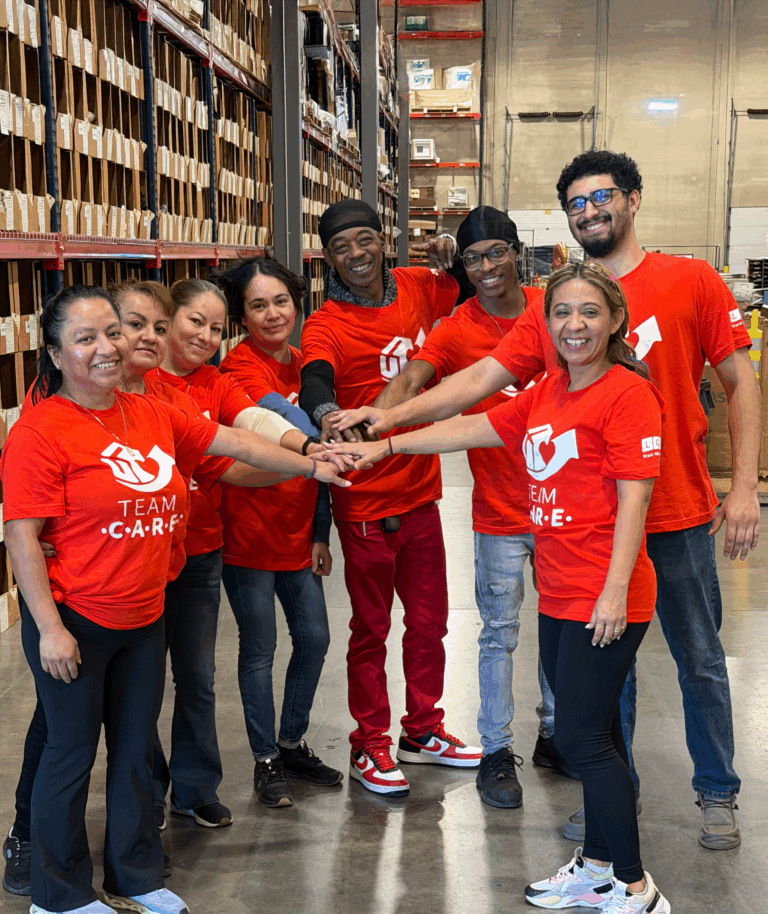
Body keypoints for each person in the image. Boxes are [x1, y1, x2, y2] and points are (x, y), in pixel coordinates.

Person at [328, 150, 761, 849]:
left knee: (702, 659)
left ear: (634, 198)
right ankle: (613, 800)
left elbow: (741, 381)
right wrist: (388, 420)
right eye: (577, 204)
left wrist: (742, 488)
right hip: (592, 526)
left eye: (603, 197)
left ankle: (717, 792)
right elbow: (478, 389)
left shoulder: (692, 281)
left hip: (675, 512)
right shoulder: (558, 302)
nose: (591, 211)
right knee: (606, 680)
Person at [329, 262, 670, 914]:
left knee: (583, 740)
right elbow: (472, 424)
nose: (574, 325)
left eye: (590, 313)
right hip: (563, 590)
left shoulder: (625, 394)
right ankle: (597, 865)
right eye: (562, 313)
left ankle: (632, 886)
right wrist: (387, 442)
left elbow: (636, 499)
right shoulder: (550, 393)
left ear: (615, 322)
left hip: (603, 592)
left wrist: (615, 591)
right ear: (545, 324)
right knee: (592, 732)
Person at [0, 286, 348, 914]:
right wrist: (49, 629)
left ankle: (134, 876)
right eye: (86, 339)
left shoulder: (147, 411)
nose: (108, 348)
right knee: (71, 754)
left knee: (135, 750)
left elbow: (231, 443)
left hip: (145, 612)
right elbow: (22, 539)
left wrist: (310, 464)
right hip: (78, 617)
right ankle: (58, 896)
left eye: (112, 332)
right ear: (53, 353)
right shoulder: (40, 432)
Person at [347, 206, 574, 809]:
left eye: (496, 252)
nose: (486, 267)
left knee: (561, 629)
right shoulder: (454, 327)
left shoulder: (554, 308)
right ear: (464, 267)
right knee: (498, 634)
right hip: (500, 512)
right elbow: (415, 381)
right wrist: (377, 422)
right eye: (473, 258)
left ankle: (557, 733)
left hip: (564, 509)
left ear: (516, 252)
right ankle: (497, 752)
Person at [298, 199, 482, 797]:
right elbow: (315, 381)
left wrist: (452, 262)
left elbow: (463, 298)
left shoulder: (415, 286)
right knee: (371, 630)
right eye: (341, 247)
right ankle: (369, 743)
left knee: (429, 625)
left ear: (384, 239)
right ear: (327, 257)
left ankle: (422, 730)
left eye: (364, 240)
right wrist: (329, 417)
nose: (355, 255)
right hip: (365, 504)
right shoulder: (324, 321)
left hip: (421, 491)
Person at [148, 278, 334, 828]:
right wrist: (307, 452)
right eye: (193, 322)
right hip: (150, 553)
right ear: (166, 320)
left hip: (202, 548)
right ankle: (144, 794)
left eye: (214, 325)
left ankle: (195, 789)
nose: (206, 336)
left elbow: (256, 423)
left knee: (198, 679)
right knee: (141, 685)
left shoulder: (213, 381)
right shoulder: (140, 382)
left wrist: (305, 453)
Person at [216, 256, 342, 807]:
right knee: (260, 649)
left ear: (298, 302)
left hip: (297, 534)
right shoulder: (236, 369)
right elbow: (274, 417)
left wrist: (321, 533)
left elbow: (319, 475)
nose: (272, 315)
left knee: (315, 638)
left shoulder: (306, 364)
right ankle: (265, 758)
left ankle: (291, 742)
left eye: (281, 302)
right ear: (242, 316)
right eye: (258, 305)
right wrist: (321, 435)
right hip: (247, 534)